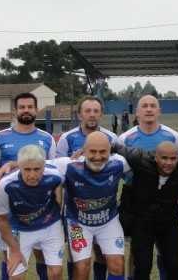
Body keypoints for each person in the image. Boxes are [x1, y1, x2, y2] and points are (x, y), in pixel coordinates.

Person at [0, 92, 57, 280]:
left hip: (41, 207)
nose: (26, 110)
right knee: (9, 254)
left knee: (42, 253)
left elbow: (53, 170)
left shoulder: (47, 138)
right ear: (15, 111)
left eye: (30, 107)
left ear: (36, 110)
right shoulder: (0, 137)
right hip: (10, 207)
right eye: (22, 107)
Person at [118, 95, 178, 279]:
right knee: (138, 256)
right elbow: (121, 171)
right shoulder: (125, 138)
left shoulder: (172, 136)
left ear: (159, 111)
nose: (149, 109)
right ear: (136, 112)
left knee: (168, 254)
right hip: (137, 206)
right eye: (144, 106)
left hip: (166, 205)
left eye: (153, 106)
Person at [55, 96, 119, 279]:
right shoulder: (67, 138)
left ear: (101, 114)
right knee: (76, 256)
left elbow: (118, 167)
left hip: (104, 209)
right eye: (88, 111)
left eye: (96, 111)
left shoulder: (112, 138)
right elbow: (57, 173)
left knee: (101, 252)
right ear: (80, 114)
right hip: (75, 208)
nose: (92, 115)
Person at [112, 141, 178, 280]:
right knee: (143, 265)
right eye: (164, 158)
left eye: (173, 158)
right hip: (142, 222)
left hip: (169, 221)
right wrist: (85, 150)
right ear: (156, 157)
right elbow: (113, 146)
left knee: (173, 265)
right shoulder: (140, 159)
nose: (169, 162)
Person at [0, 145, 65, 280]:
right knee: (17, 277)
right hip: (20, 229)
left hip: (50, 226)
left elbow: (82, 161)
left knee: (56, 273)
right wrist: (14, 250)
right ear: (19, 167)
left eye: (37, 169)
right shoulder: (6, 185)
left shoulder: (56, 174)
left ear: (44, 166)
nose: (32, 175)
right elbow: (1, 219)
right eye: (27, 169)